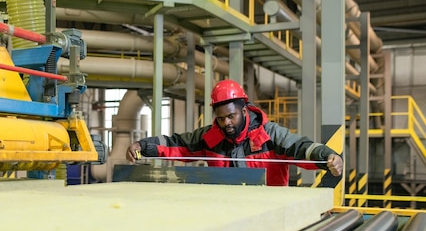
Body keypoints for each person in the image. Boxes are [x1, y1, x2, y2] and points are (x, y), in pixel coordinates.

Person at [126, 79, 343, 186]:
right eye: (221, 118)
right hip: (227, 211)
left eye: (231, 116)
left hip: (271, 215)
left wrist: (327, 156)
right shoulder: (210, 137)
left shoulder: (271, 136)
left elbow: (301, 148)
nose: (226, 123)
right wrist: (143, 146)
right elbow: (176, 144)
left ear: (244, 110)